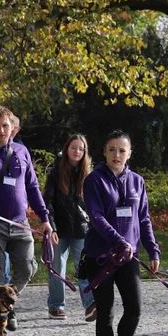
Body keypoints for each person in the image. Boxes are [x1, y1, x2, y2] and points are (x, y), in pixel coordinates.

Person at [83, 130, 160, 336]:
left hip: (129, 258)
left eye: (122, 150)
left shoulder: (137, 181)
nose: (117, 155)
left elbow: (144, 219)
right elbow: (96, 216)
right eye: (112, 149)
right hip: (101, 257)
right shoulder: (94, 180)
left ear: (129, 153)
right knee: (105, 313)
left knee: (135, 309)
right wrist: (119, 240)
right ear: (104, 152)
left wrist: (152, 250)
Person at [0, 107, 54, 331]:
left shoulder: (22, 152)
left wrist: (44, 218)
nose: (2, 130)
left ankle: (6, 306)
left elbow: (33, 186)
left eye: (5, 126)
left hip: (19, 221)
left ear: (13, 127)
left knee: (26, 268)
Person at [43, 134, 96, 321]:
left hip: (82, 229)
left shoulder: (89, 175)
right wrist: (51, 226)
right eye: (74, 147)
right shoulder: (56, 171)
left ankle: (90, 304)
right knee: (57, 268)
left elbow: (92, 203)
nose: (77, 151)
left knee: (85, 268)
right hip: (60, 228)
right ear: (67, 149)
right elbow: (47, 201)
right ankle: (56, 306)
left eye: (81, 149)